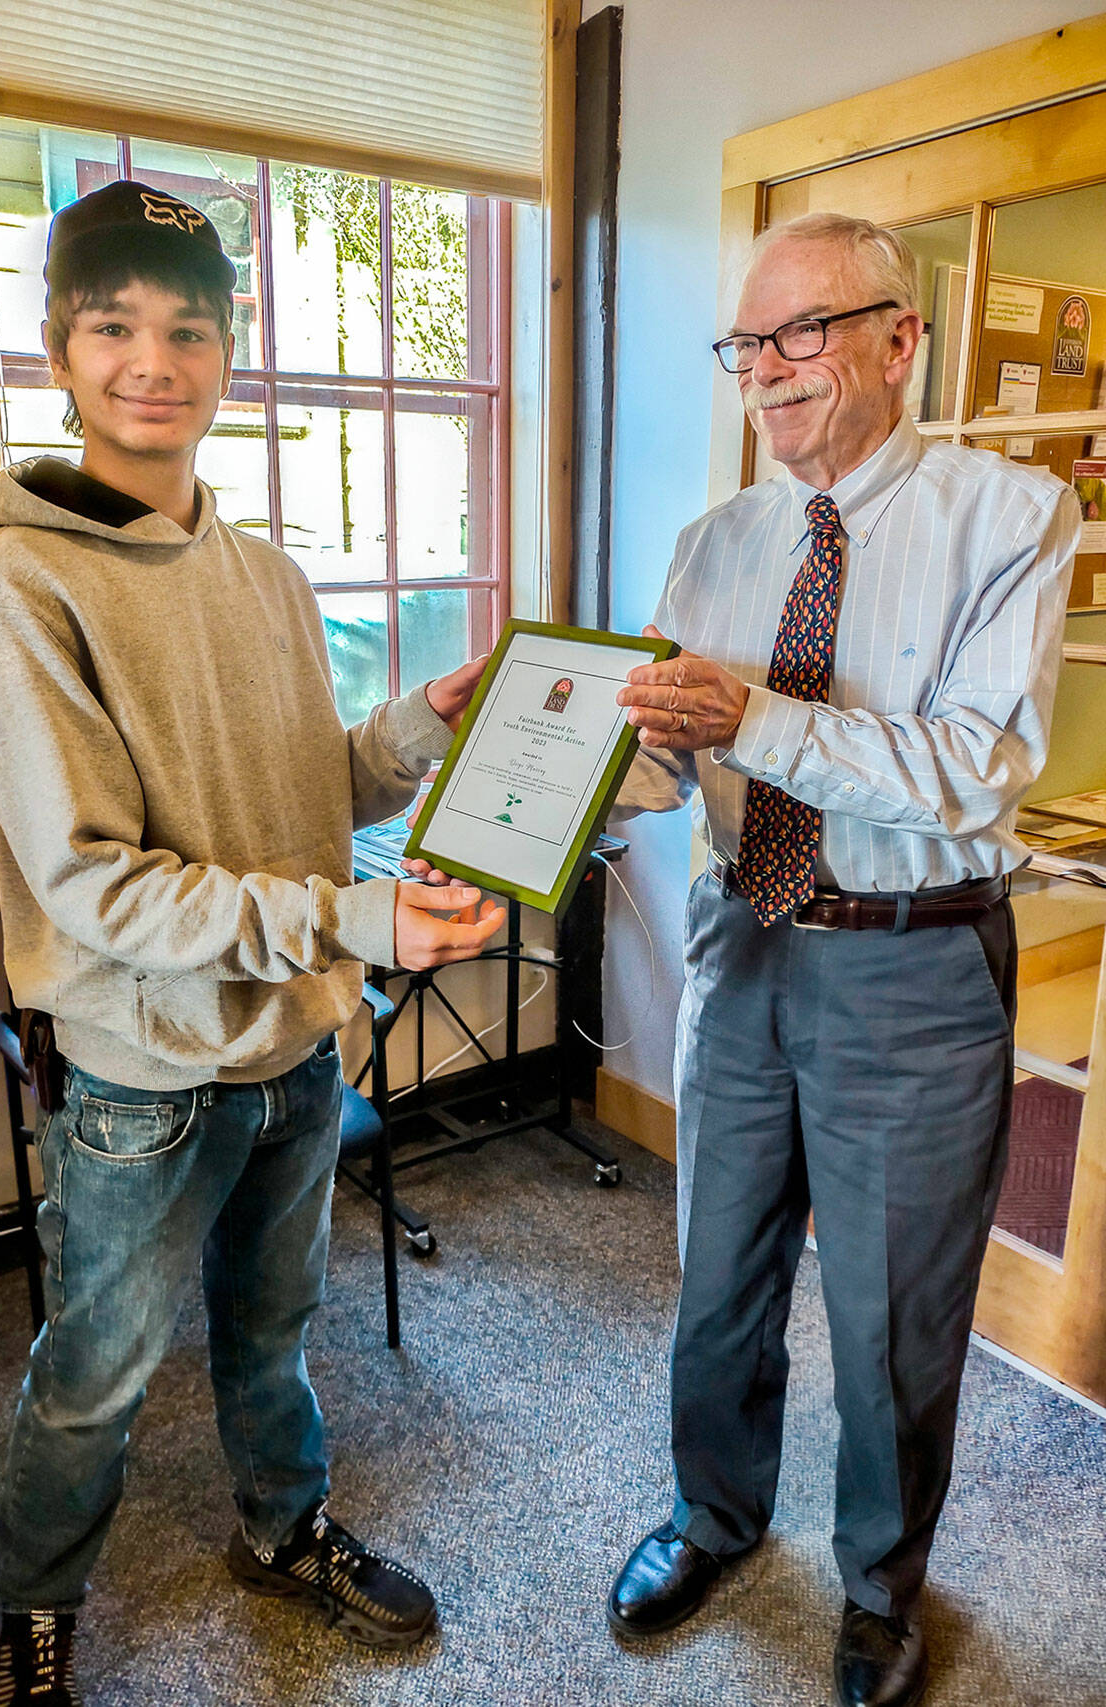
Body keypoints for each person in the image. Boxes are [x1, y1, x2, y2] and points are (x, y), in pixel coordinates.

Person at [0, 179, 505, 1707]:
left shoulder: (262, 570)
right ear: (59, 348)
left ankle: (283, 1528)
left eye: (188, 327)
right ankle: (35, 1603)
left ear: (229, 352)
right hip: (141, 1075)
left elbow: (298, 786)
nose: (152, 360)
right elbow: (98, 888)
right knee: (97, 1378)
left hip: (292, 1047)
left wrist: (408, 733)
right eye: (112, 324)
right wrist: (357, 917)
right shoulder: (16, 585)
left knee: (277, 1327)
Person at [603, 212, 1080, 1707]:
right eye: (749, 342)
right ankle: (715, 1518)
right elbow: (664, 771)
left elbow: (971, 770)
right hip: (740, 944)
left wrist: (744, 715)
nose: (769, 368)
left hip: (913, 971)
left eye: (806, 331)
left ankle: (880, 1585)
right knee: (719, 1284)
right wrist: (528, 797)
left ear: (900, 339)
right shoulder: (718, 541)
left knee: (891, 1320)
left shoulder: (1009, 517)